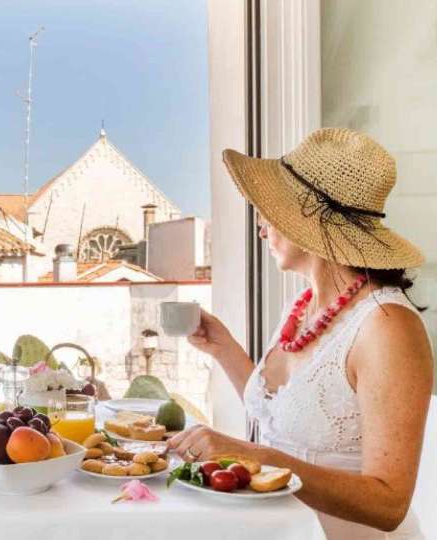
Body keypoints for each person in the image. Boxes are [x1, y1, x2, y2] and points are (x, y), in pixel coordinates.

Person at [167, 128, 433, 539]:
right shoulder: (305, 306)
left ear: (306, 222)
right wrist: (224, 350)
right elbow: (285, 419)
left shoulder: (388, 327)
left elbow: (389, 504)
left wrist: (253, 455)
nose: (261, 230)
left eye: (269, 214)